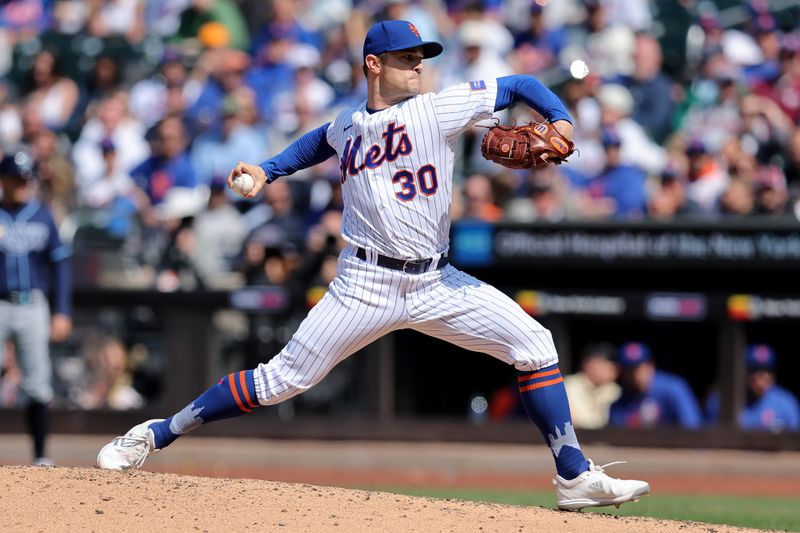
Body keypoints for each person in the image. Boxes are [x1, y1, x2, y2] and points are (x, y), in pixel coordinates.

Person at [97, 19, 649, 511]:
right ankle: (155, 433)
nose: (419, 66)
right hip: (364, 283)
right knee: (280, 380)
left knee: (536, 346)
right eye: (409, 58)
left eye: (422, 57)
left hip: (436, 280)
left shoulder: (439, 106)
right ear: (374, 65)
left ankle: (573, 474)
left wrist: (561, 117)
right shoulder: (349, 125)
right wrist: (269, 170)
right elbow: (320, 140)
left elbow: (522, 85)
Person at [0, 149, 72, 465]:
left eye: (25, 178)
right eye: (15, 178)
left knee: (37, 382)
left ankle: (41, 456)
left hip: (33, 305)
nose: (20, 184)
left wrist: (62, 311)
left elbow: (61, 267)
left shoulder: (43, 215)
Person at [705, 344, 800, 432]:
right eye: (754, 370)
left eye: (767, 370)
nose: (760, 377)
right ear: (743, 372)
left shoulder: (786, 403)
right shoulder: (722, 400)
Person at [609, 341, 703, 429]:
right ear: (622, 372)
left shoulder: (672, 388)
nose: (635, 374)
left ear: (651, 365)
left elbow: (692, 427)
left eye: (639, 367)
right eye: (630, 369)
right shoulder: (620, 403)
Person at [564, 342, 621, 429]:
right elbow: (574, 422)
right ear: (588, 364)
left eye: (613, 363)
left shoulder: (615, 390)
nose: (612, 367)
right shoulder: (568, 386)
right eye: (605, 362)